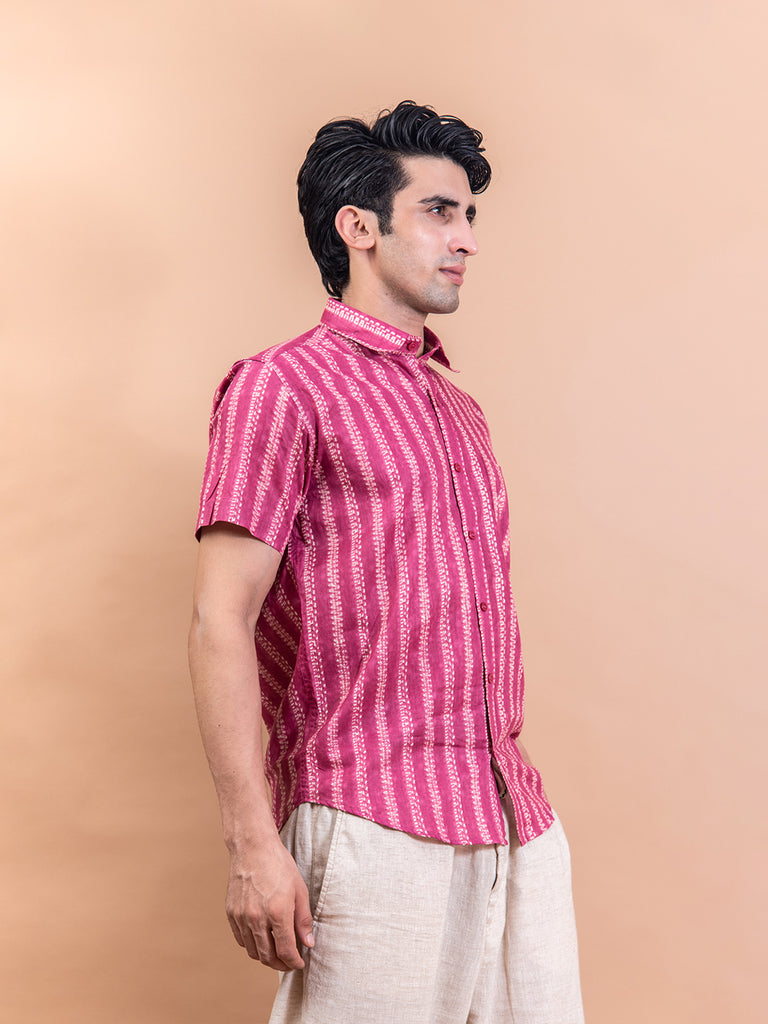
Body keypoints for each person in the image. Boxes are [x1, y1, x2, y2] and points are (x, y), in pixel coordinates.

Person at [188, 100, 584, 1024]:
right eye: (439, 211)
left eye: (469, 215)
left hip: (514, 821)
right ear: (358, 228)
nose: (466, 238)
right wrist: (252, 843)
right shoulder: (281, 387)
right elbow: (220, 618)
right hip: (373, 819)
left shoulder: (460, 412)